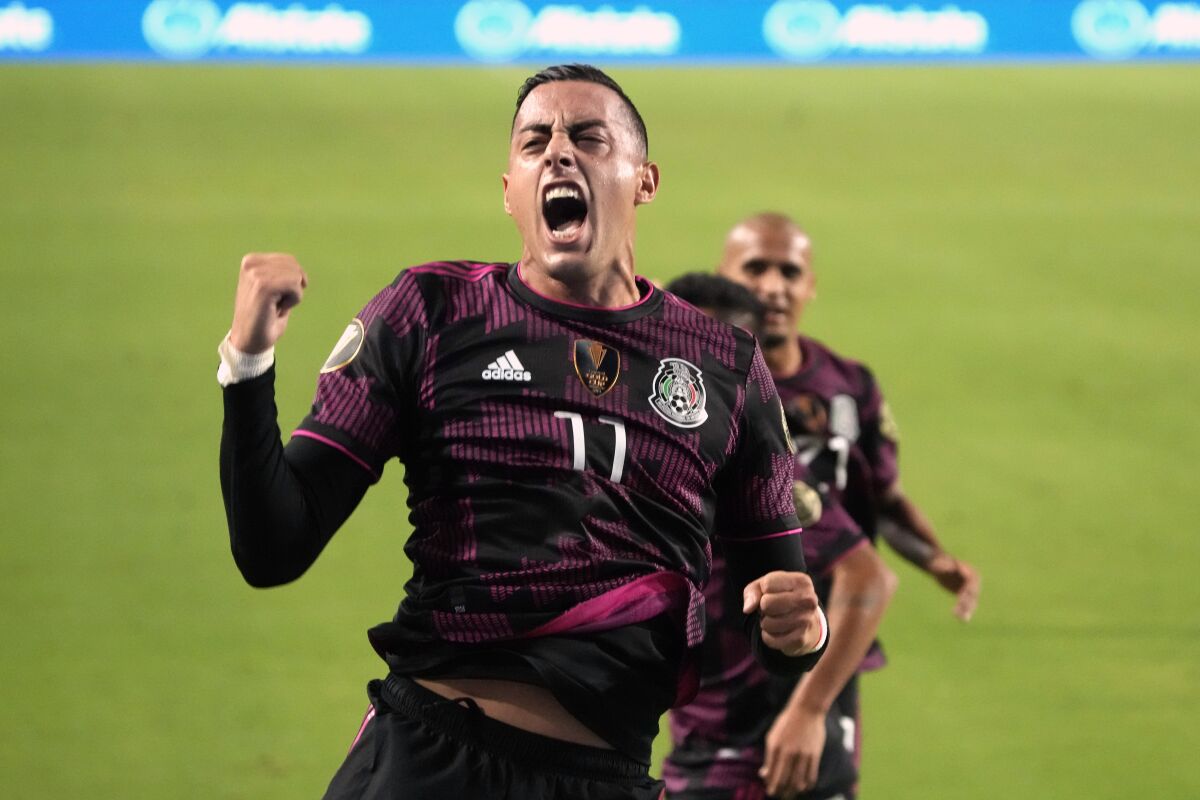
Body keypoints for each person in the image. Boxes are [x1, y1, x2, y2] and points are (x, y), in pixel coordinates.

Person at [217, 66, 827, 800]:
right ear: (509, 189)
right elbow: (273, 547)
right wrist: (249, 363)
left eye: (589, 137)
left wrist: (805, 629)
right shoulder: (429, 314)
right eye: (534, 141)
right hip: (430, 759)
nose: (559, 153)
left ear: (645, 180)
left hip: (606, 776)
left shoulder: (725, 367)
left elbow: (781, 610)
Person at [663, 275, 897, 800]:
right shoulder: (653, 449)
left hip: (759, 761)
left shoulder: (761, 469)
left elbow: (868, 576)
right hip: (699, 742)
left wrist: (808, 714)